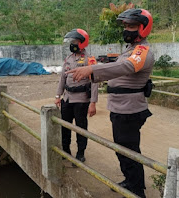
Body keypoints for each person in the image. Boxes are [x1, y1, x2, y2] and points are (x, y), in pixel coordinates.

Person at [66, 9, 154, 198]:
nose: (127, 30)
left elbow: (126, 66)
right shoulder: (129, 50)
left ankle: (137, 191)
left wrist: (92, 68)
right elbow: (120, 63)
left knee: (130, 151)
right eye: (126, 26)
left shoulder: (143, 51)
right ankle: (129, 181)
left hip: (130, 110)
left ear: (143, 28)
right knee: (121, 148)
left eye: (131, 26)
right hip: (120, 108)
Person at [55, 28, 98, 163]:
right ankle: (66, 150)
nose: (72, 44)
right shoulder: (68, 59)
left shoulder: (89, 60)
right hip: (67, 98)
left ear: (82, 43)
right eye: (71, 41)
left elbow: (94, 82)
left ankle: (80, 153)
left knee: (81, 128)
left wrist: (93, 103)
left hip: (81, 100)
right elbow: (62, 78)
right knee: (65, 126)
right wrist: (58, 96)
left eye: (75, 41)